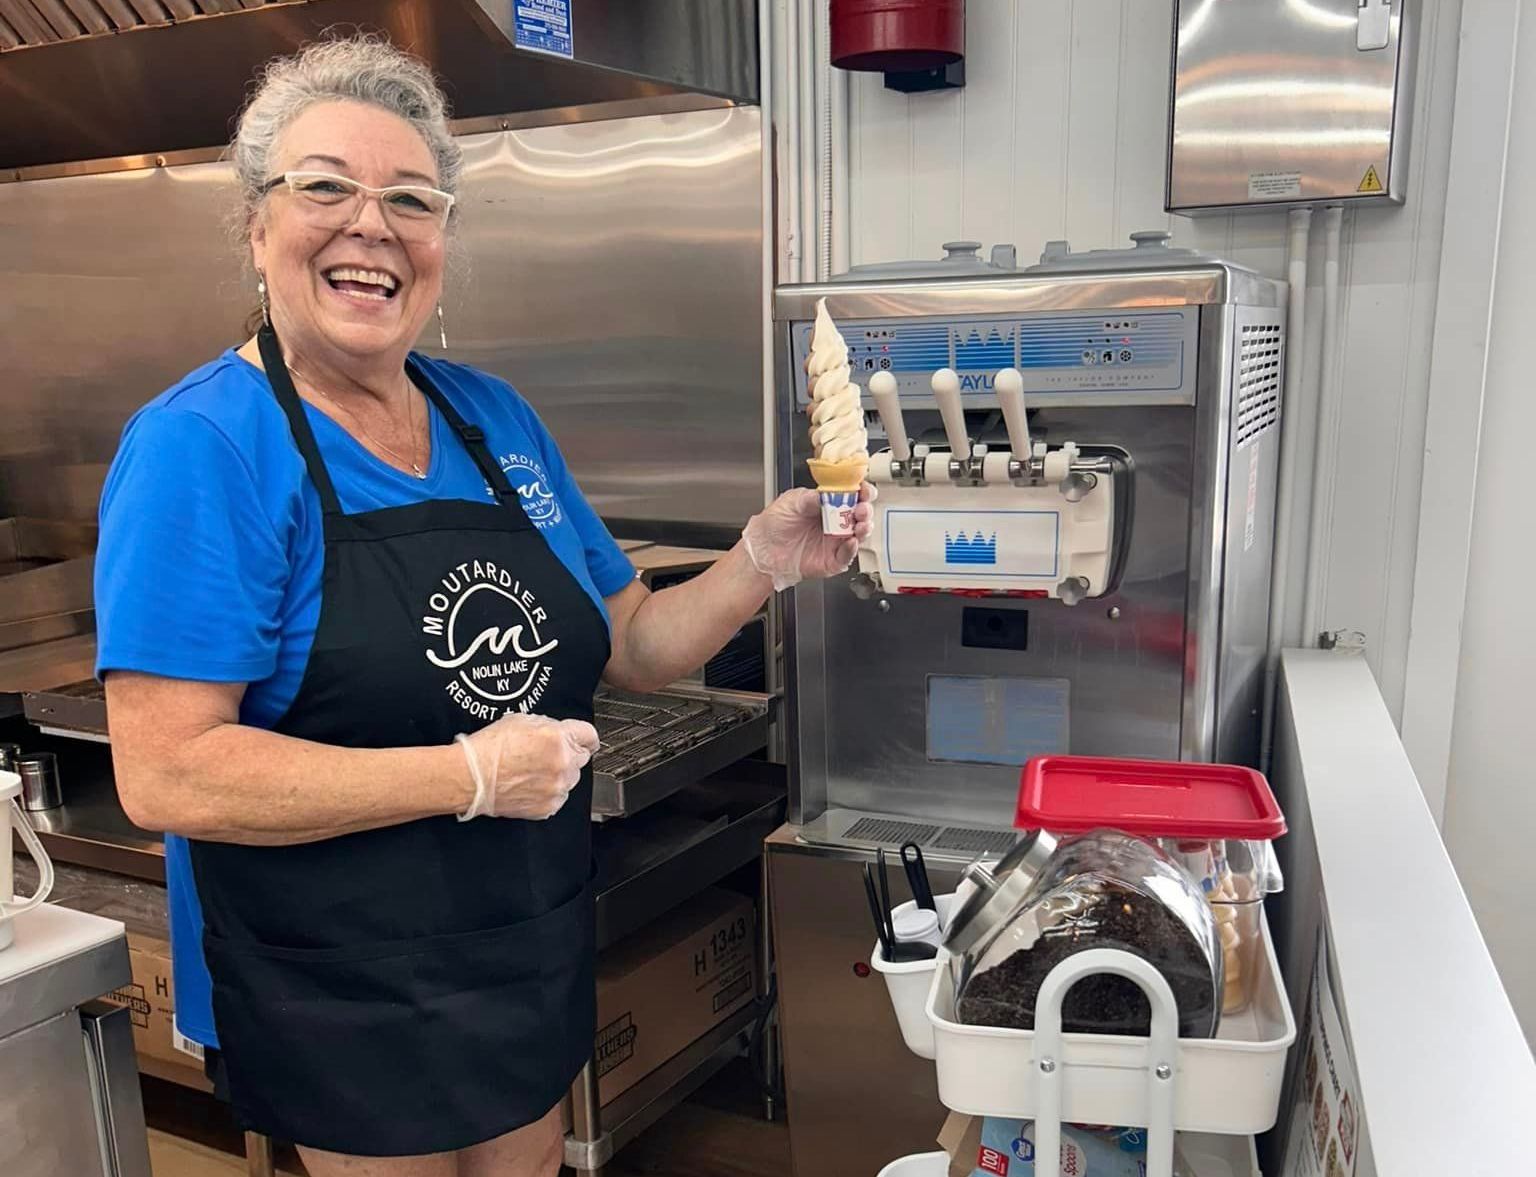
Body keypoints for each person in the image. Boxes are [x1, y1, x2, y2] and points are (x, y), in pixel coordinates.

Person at [94, 35, 870, 1177]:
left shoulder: (491, 421)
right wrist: (464, 777)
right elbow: (168, 770)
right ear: (258, 228)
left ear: (442, 241)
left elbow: (637, 643)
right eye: (325, 188)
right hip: (336, 977)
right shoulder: (205, 445)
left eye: (411, 198)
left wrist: (761, 557)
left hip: (516, 944)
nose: (372, 226)